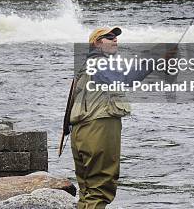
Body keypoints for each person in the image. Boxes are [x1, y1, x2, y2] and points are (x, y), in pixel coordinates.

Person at [68, 27, 176, 208]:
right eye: (108, 37)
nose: (114, 39)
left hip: (81, 132)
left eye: (116, 37)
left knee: (87, 191)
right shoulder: (99, 63)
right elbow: (125, 79)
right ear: (96, 43)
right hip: (98, 128)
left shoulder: (87, 66)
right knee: (99, 189)